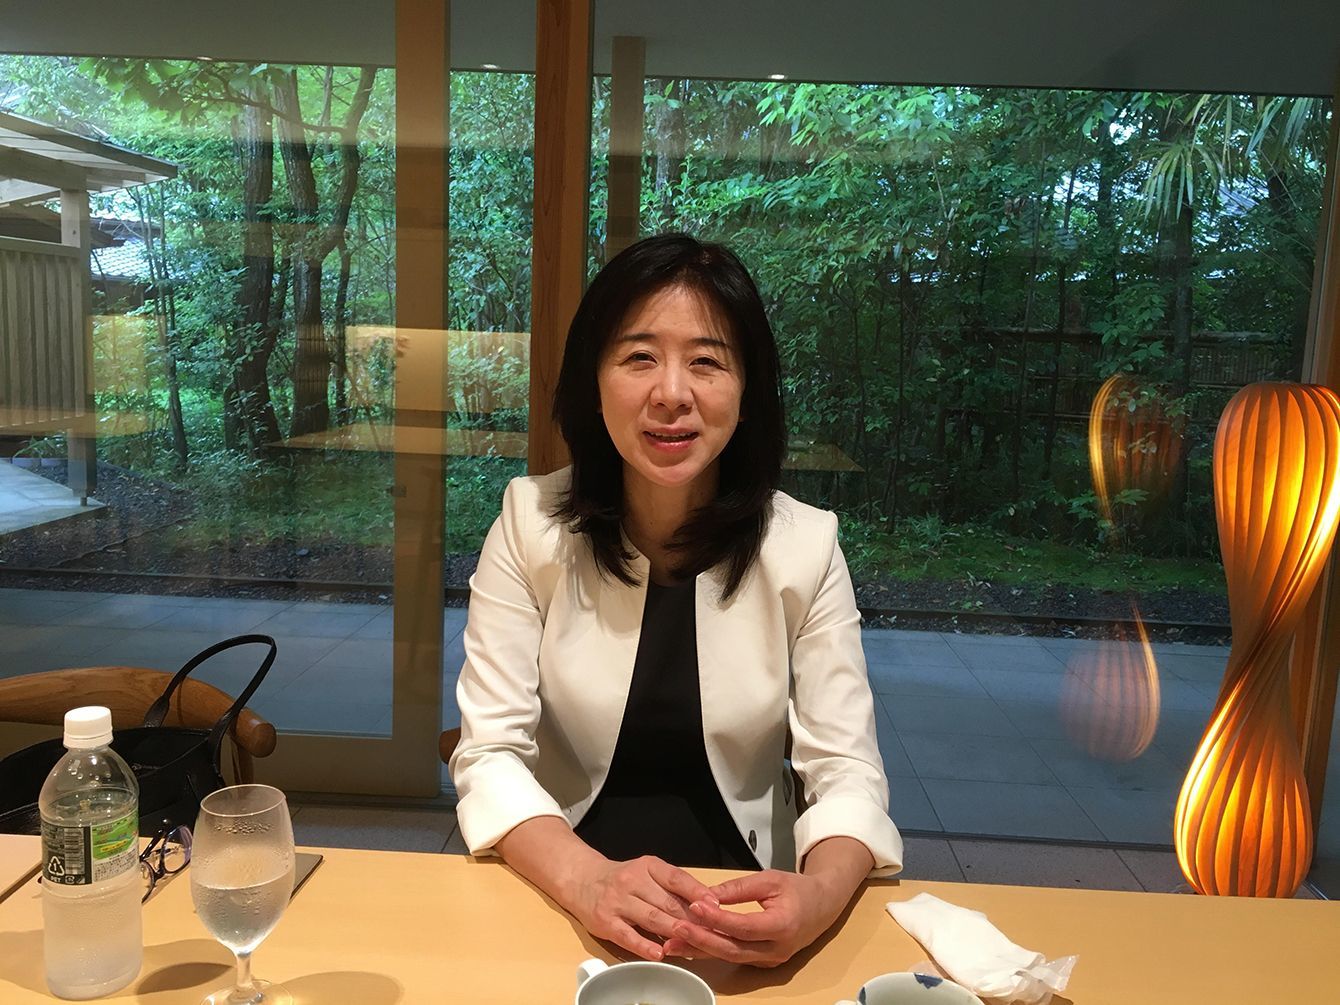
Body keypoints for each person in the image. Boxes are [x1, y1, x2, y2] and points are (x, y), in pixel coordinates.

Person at [449, 233, 902, 968]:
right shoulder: (529, 524)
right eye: (639, 356)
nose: (671, 393)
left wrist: (818, 896)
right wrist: (587, 881)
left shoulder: (806, 545)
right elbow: (490, 751)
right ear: (594, 381)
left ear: (746, 391)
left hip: (741, 901)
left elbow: (847, 768)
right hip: (561, 886)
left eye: (706, 361)